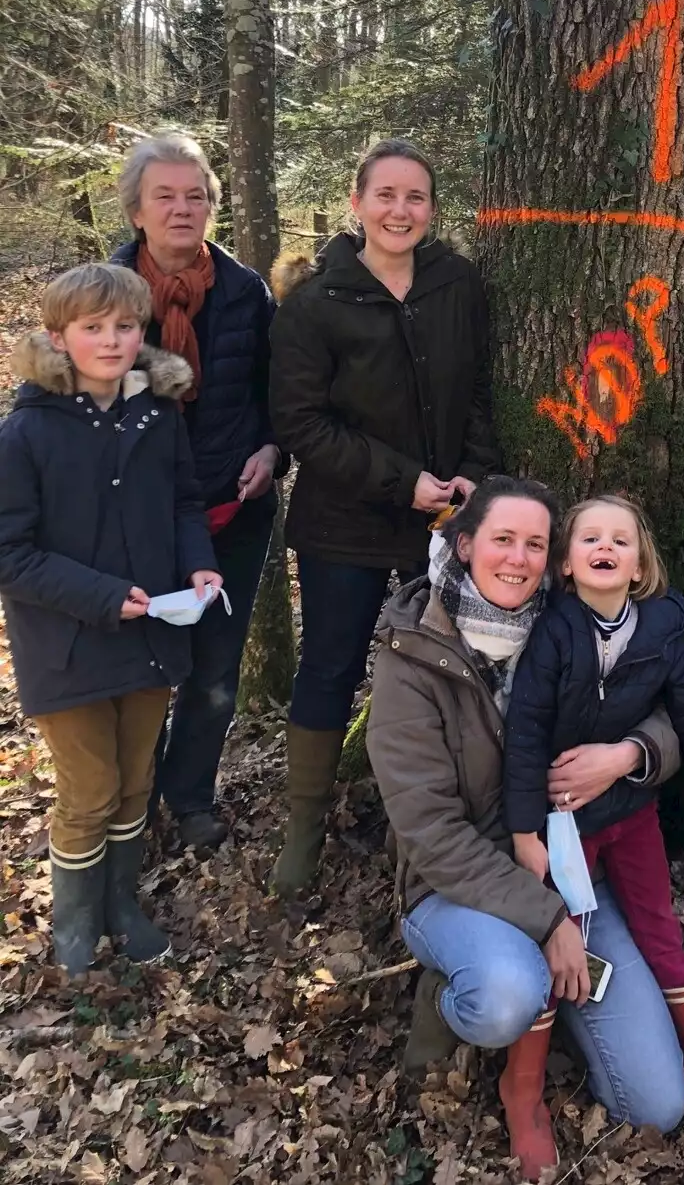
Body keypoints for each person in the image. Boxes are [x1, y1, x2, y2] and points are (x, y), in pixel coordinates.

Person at [367, 479, 684, 1181]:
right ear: (464, 545)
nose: (516, 559)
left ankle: (564, 1003)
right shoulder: (411, 658)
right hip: (454, 887)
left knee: (656, 1103)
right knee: (505, 993)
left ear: (553, 560)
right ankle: (463, 995)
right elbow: (429, 830)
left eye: (535, 545)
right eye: (501, 540)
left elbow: (674, 710)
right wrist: (546, 922)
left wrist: (630, 755)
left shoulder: (572, 624)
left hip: (575, 871)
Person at [268, 138, 499, 896]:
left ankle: (445, 818)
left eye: (417, 197)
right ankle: (305, 826)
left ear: (432, 209)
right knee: (331, 666)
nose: (401, 210)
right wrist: (405, 482)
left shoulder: (458, 284)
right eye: (387, 195)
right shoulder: (315, 302)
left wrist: (471, 473)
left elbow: (480, 390)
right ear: (357, 201)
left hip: (446, 523)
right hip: (345, 522)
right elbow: (303, 425)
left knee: (452, 667)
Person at [504, 495, 684, 1138]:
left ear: (641, 565)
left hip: (632, 814)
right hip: (565, 826)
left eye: (621, 541)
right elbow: (524, 737)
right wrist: (523, 831)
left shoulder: (662, 631)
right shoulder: (552, 633)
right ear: (565, 563)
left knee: (660, 931)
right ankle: (525, 1089)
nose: (605, 549)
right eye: (590, 538)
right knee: (553, 940)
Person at [0, 264, 221, 972]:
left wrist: (198, 563)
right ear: (59, 337)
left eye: (125, 325)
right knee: (89, 788)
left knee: (133, 782)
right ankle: (75, 924)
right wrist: (101, 594)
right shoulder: (25, 432)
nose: (111, 339)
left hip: (153, 630)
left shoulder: (157, 414)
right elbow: (11, 552)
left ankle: (122, 903)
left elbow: (185, 500)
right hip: (66, 643)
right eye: (92, 327)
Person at [114, 131, 282, 850]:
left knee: (215, 668)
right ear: (137, 211)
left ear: (212, 205)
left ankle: (190, 800)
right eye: (165, 196)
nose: (182, 209)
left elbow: (281, 390)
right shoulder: (103, 289)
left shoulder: (246, 290)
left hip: (230, 509)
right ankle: (130, 804)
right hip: (132, 516)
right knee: (138, 666)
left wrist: (276, 448)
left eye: (195, 195)